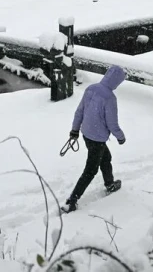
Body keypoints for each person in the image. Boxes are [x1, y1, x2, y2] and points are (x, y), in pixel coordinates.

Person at [63, 65, 126, 212]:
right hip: (97, 138)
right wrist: (120, 137)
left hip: (87, 134)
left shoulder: (91, 88)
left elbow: (80, 111)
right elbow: (112, 124)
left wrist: (75, 130)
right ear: (116, 81)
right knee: (91, 170)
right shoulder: (109, 98)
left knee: (106, 158)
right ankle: (72, 201)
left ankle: (110, 184)